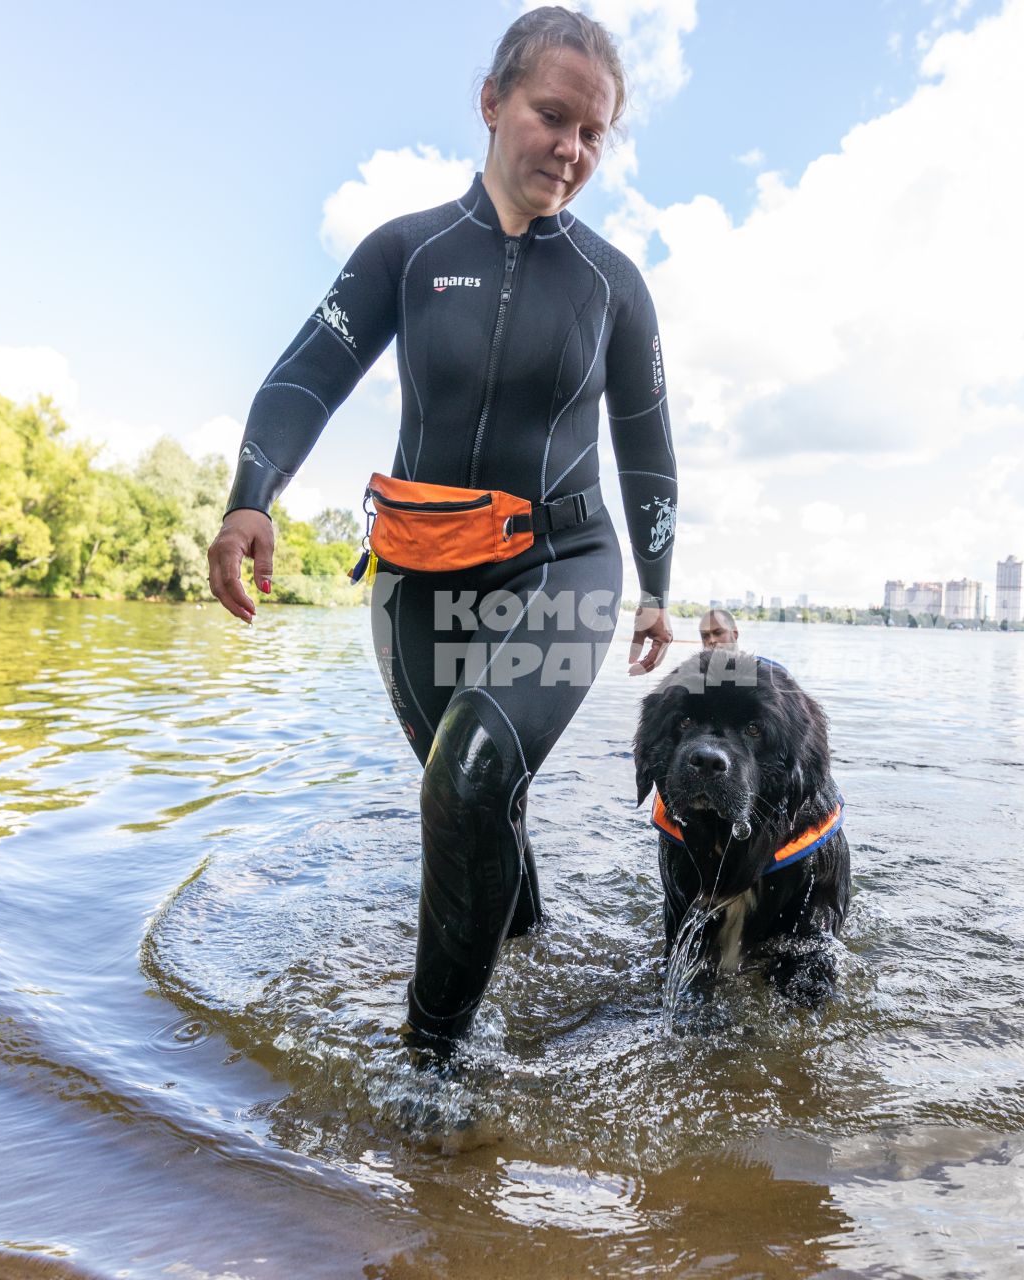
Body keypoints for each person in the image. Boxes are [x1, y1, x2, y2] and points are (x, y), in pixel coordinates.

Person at [205, 7, 677, 1062]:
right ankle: (531, 961)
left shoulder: (612, 286)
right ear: (492, 102)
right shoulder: (407, 252)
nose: (572, 149)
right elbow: (305, 373)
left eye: (595, 133)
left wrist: (655, 583)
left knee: (467, 770)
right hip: (419, 571)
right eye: (553, 116)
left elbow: (647, 447)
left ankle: (428, 1068)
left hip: (567, 563)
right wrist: (251, 494)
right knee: (475, 803)